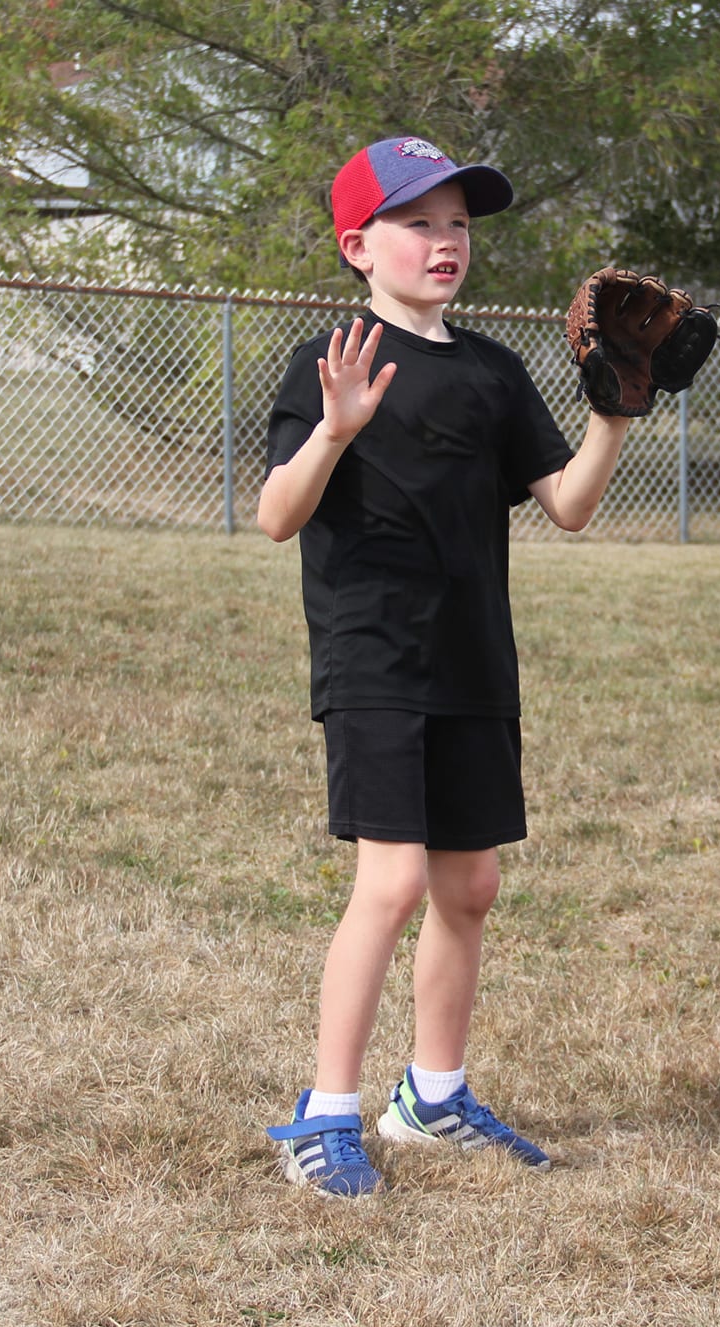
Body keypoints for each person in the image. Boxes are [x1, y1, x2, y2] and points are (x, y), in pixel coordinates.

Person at [258, 135, 633, 1197]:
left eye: (458, 223)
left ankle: (431, 1096)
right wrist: (333, 432)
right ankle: (322, 1113)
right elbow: (275, 515)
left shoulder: (490, 369)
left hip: (473, 657)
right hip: (375, 653)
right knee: (391, 879)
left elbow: (567, 502)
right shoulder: (331, 357)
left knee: (469, 882)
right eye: (417, 221)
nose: (444, 241)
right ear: (355, 244)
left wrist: (616, 410)